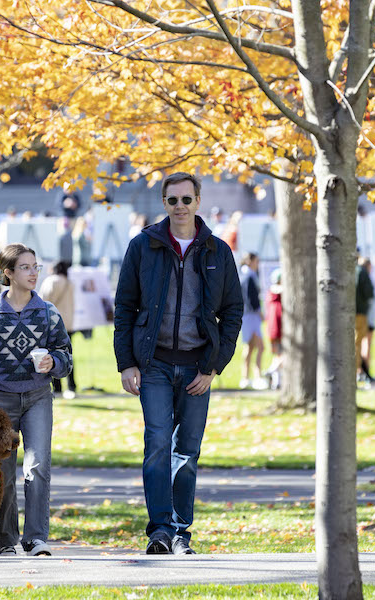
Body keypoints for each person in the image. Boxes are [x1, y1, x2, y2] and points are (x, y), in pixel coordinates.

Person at [114, 171, 243, 555]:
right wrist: (126, 363)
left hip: (196, 368)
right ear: (164, 204)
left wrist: (213, 366)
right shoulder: (143, 246)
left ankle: (182, 534)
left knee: (186, 451)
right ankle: (160, 531)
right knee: (156, 445)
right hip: (152, 364)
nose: (180, 207)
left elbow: (233, 310)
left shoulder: (217, 251)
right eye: (173, 201)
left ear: (198, 202)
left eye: (186, 200)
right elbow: (124, 307)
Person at [0, 243, 72, 557]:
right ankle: (6, 540)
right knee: (2, 472)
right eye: (25, 267)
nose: (34, 273)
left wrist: (54, 362)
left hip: (38, 396)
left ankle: (35, 538)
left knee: (38, 466)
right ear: (7, 273)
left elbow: (66, 356)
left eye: (35, 266)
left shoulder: (48, 312)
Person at [40, 260, 77, 399]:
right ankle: (72, 385)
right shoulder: (69, 282)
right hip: (69, 323)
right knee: (68, 355)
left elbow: (43, 300)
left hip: (54, 324)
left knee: (54, 356)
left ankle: (58, 387)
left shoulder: (51, 281)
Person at [238, 252, 265, 389]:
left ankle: (248, 377)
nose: (257, 264)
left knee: (252, 347)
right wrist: (260, 312)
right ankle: (255, 377)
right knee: (256, 347)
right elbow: (251, 298)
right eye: (256, 261)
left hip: (248, 315)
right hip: (251, 315)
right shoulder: (248, 276)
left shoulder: (246, 275)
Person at [355, 256, 375, 384]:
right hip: (360, 311)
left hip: (352, 311)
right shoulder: (362, 272)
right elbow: (369, 293)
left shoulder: (353, 270)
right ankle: (358, 370)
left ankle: (360, 369)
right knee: (358, 341)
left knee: (356, 341)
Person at [263, 268, 284, 391]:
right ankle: (271, 371)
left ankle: (276, 382)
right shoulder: (281, 295)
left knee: (277, 356)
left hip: (271, 329)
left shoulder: (270, 294)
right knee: (284, 355)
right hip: (279, 330)